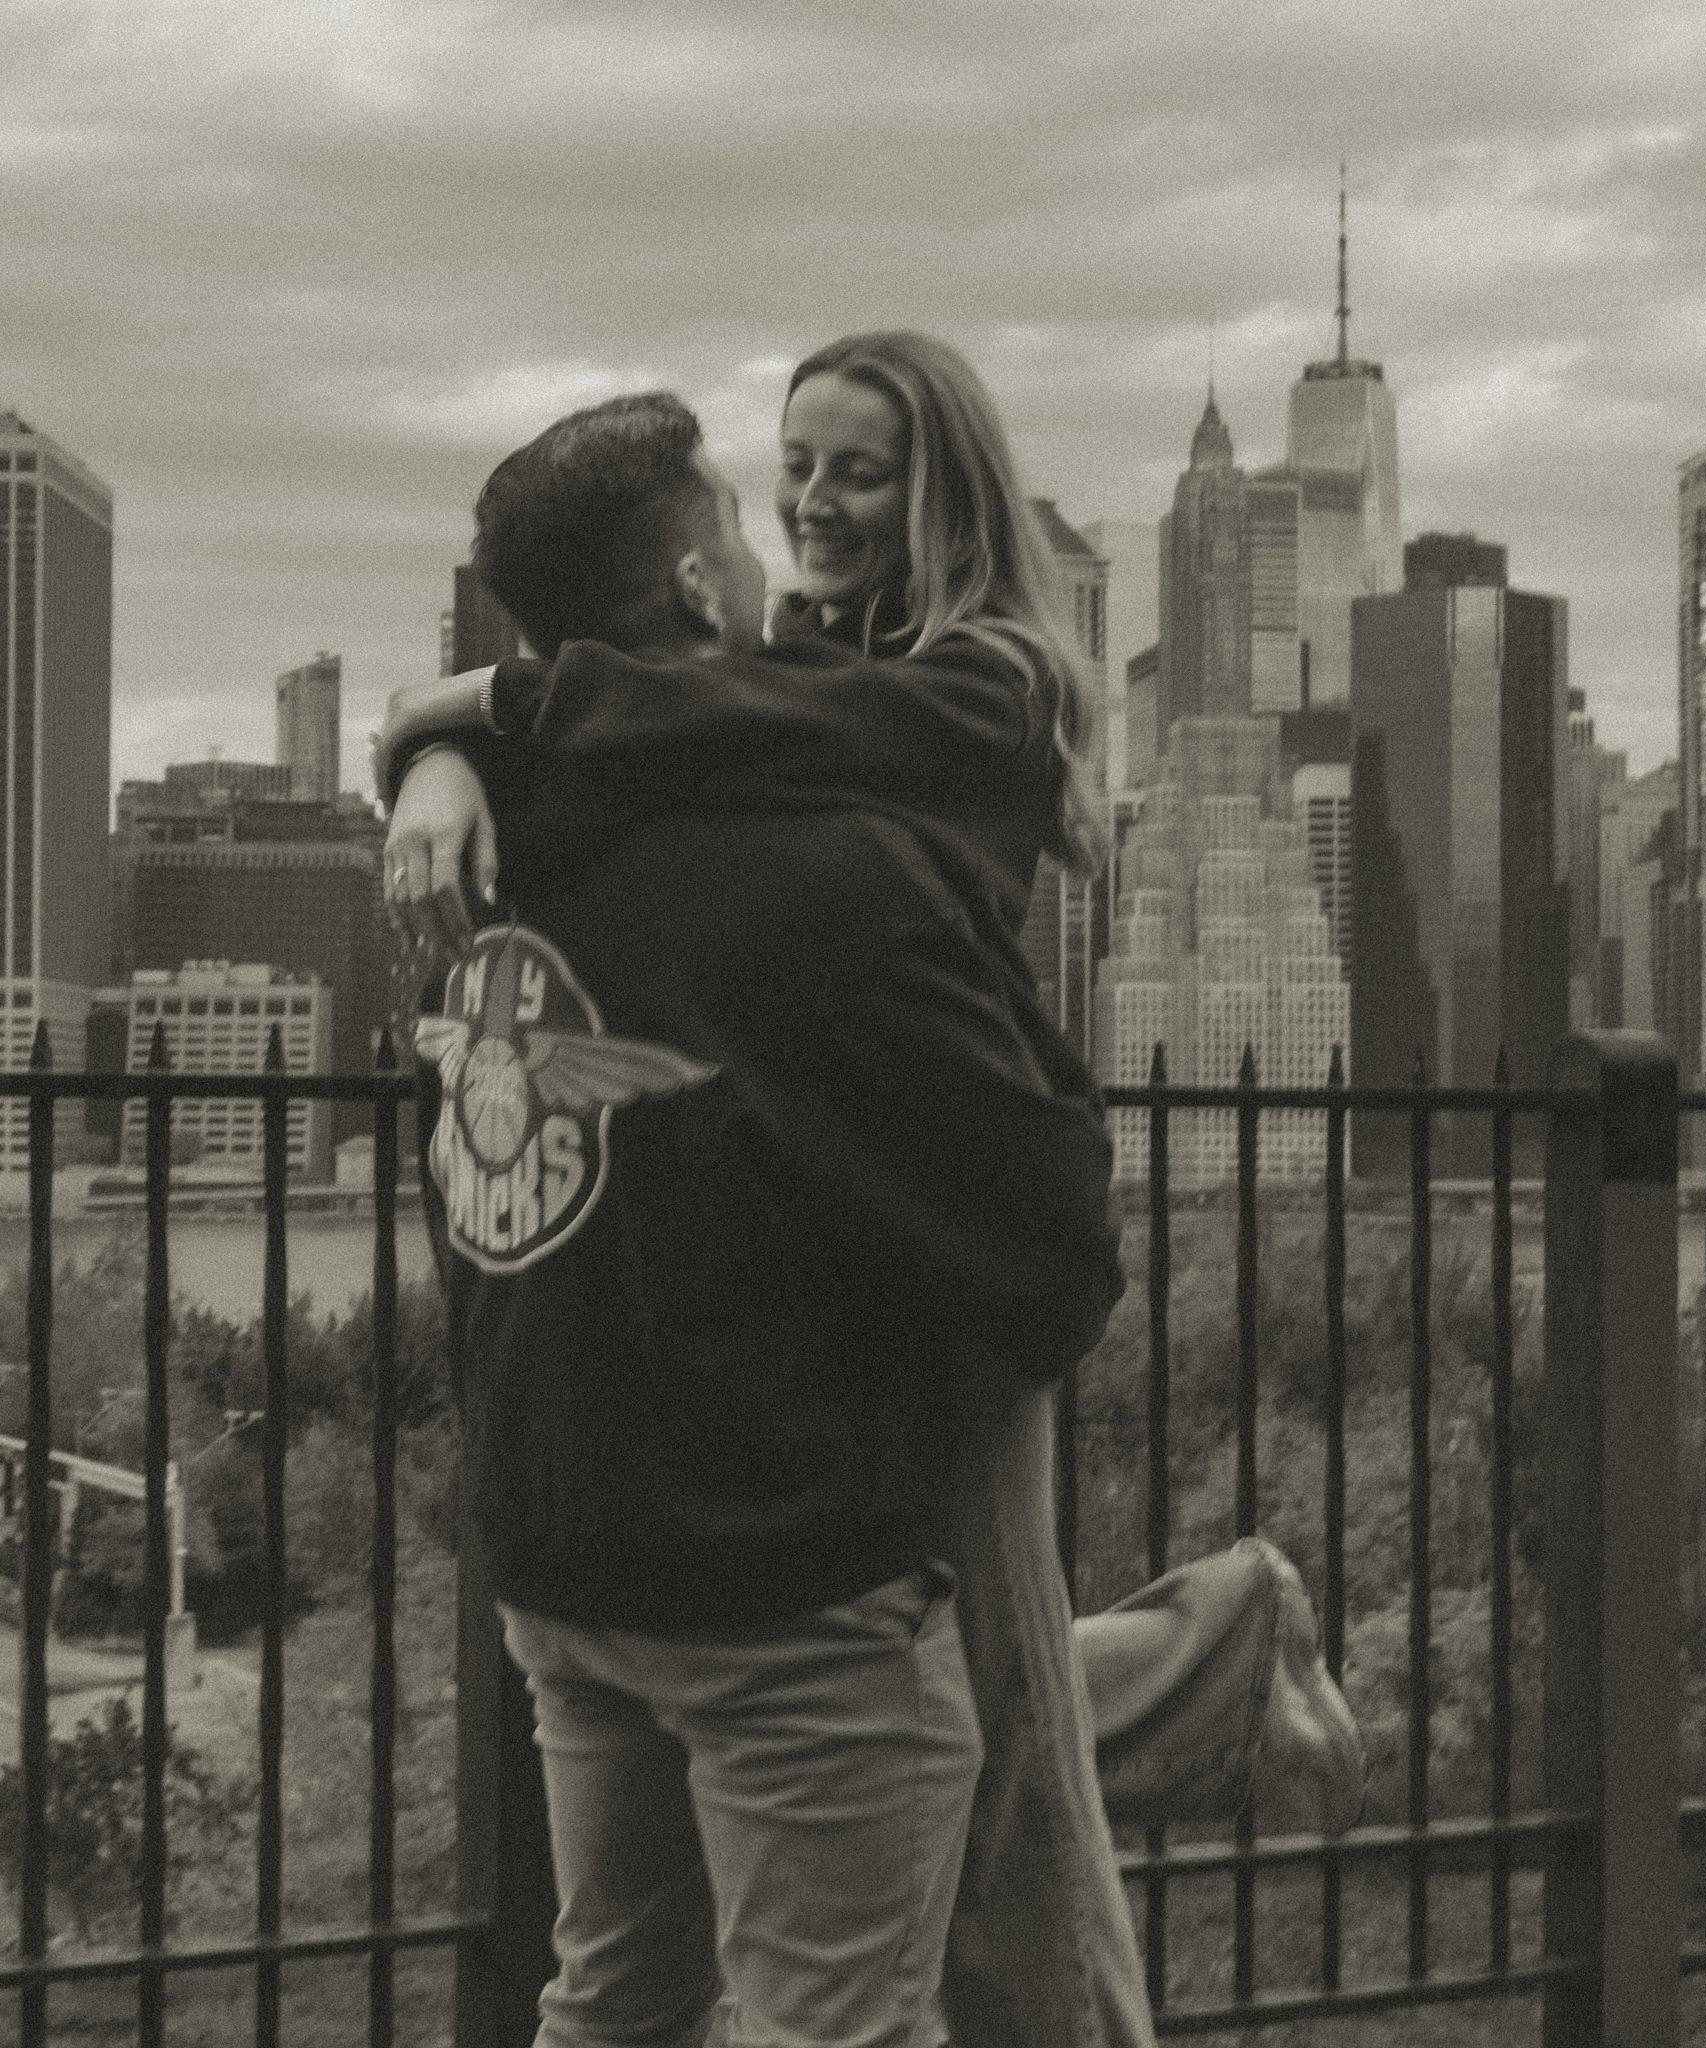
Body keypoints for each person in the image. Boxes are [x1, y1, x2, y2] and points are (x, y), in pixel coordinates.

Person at [386, 340, 1364, 2046]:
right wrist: (452, 736)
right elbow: (1046, 1239)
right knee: (908, 1905)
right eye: (775, 483)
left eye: (860, 471)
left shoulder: (488, 855)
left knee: (621, 1993)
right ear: (705, 580)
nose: (802, 514)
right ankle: (1220, 1653)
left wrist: (452, 731)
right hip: (782, 1533)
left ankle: (1211, 1662)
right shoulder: (806, 849)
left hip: (565, 1536)